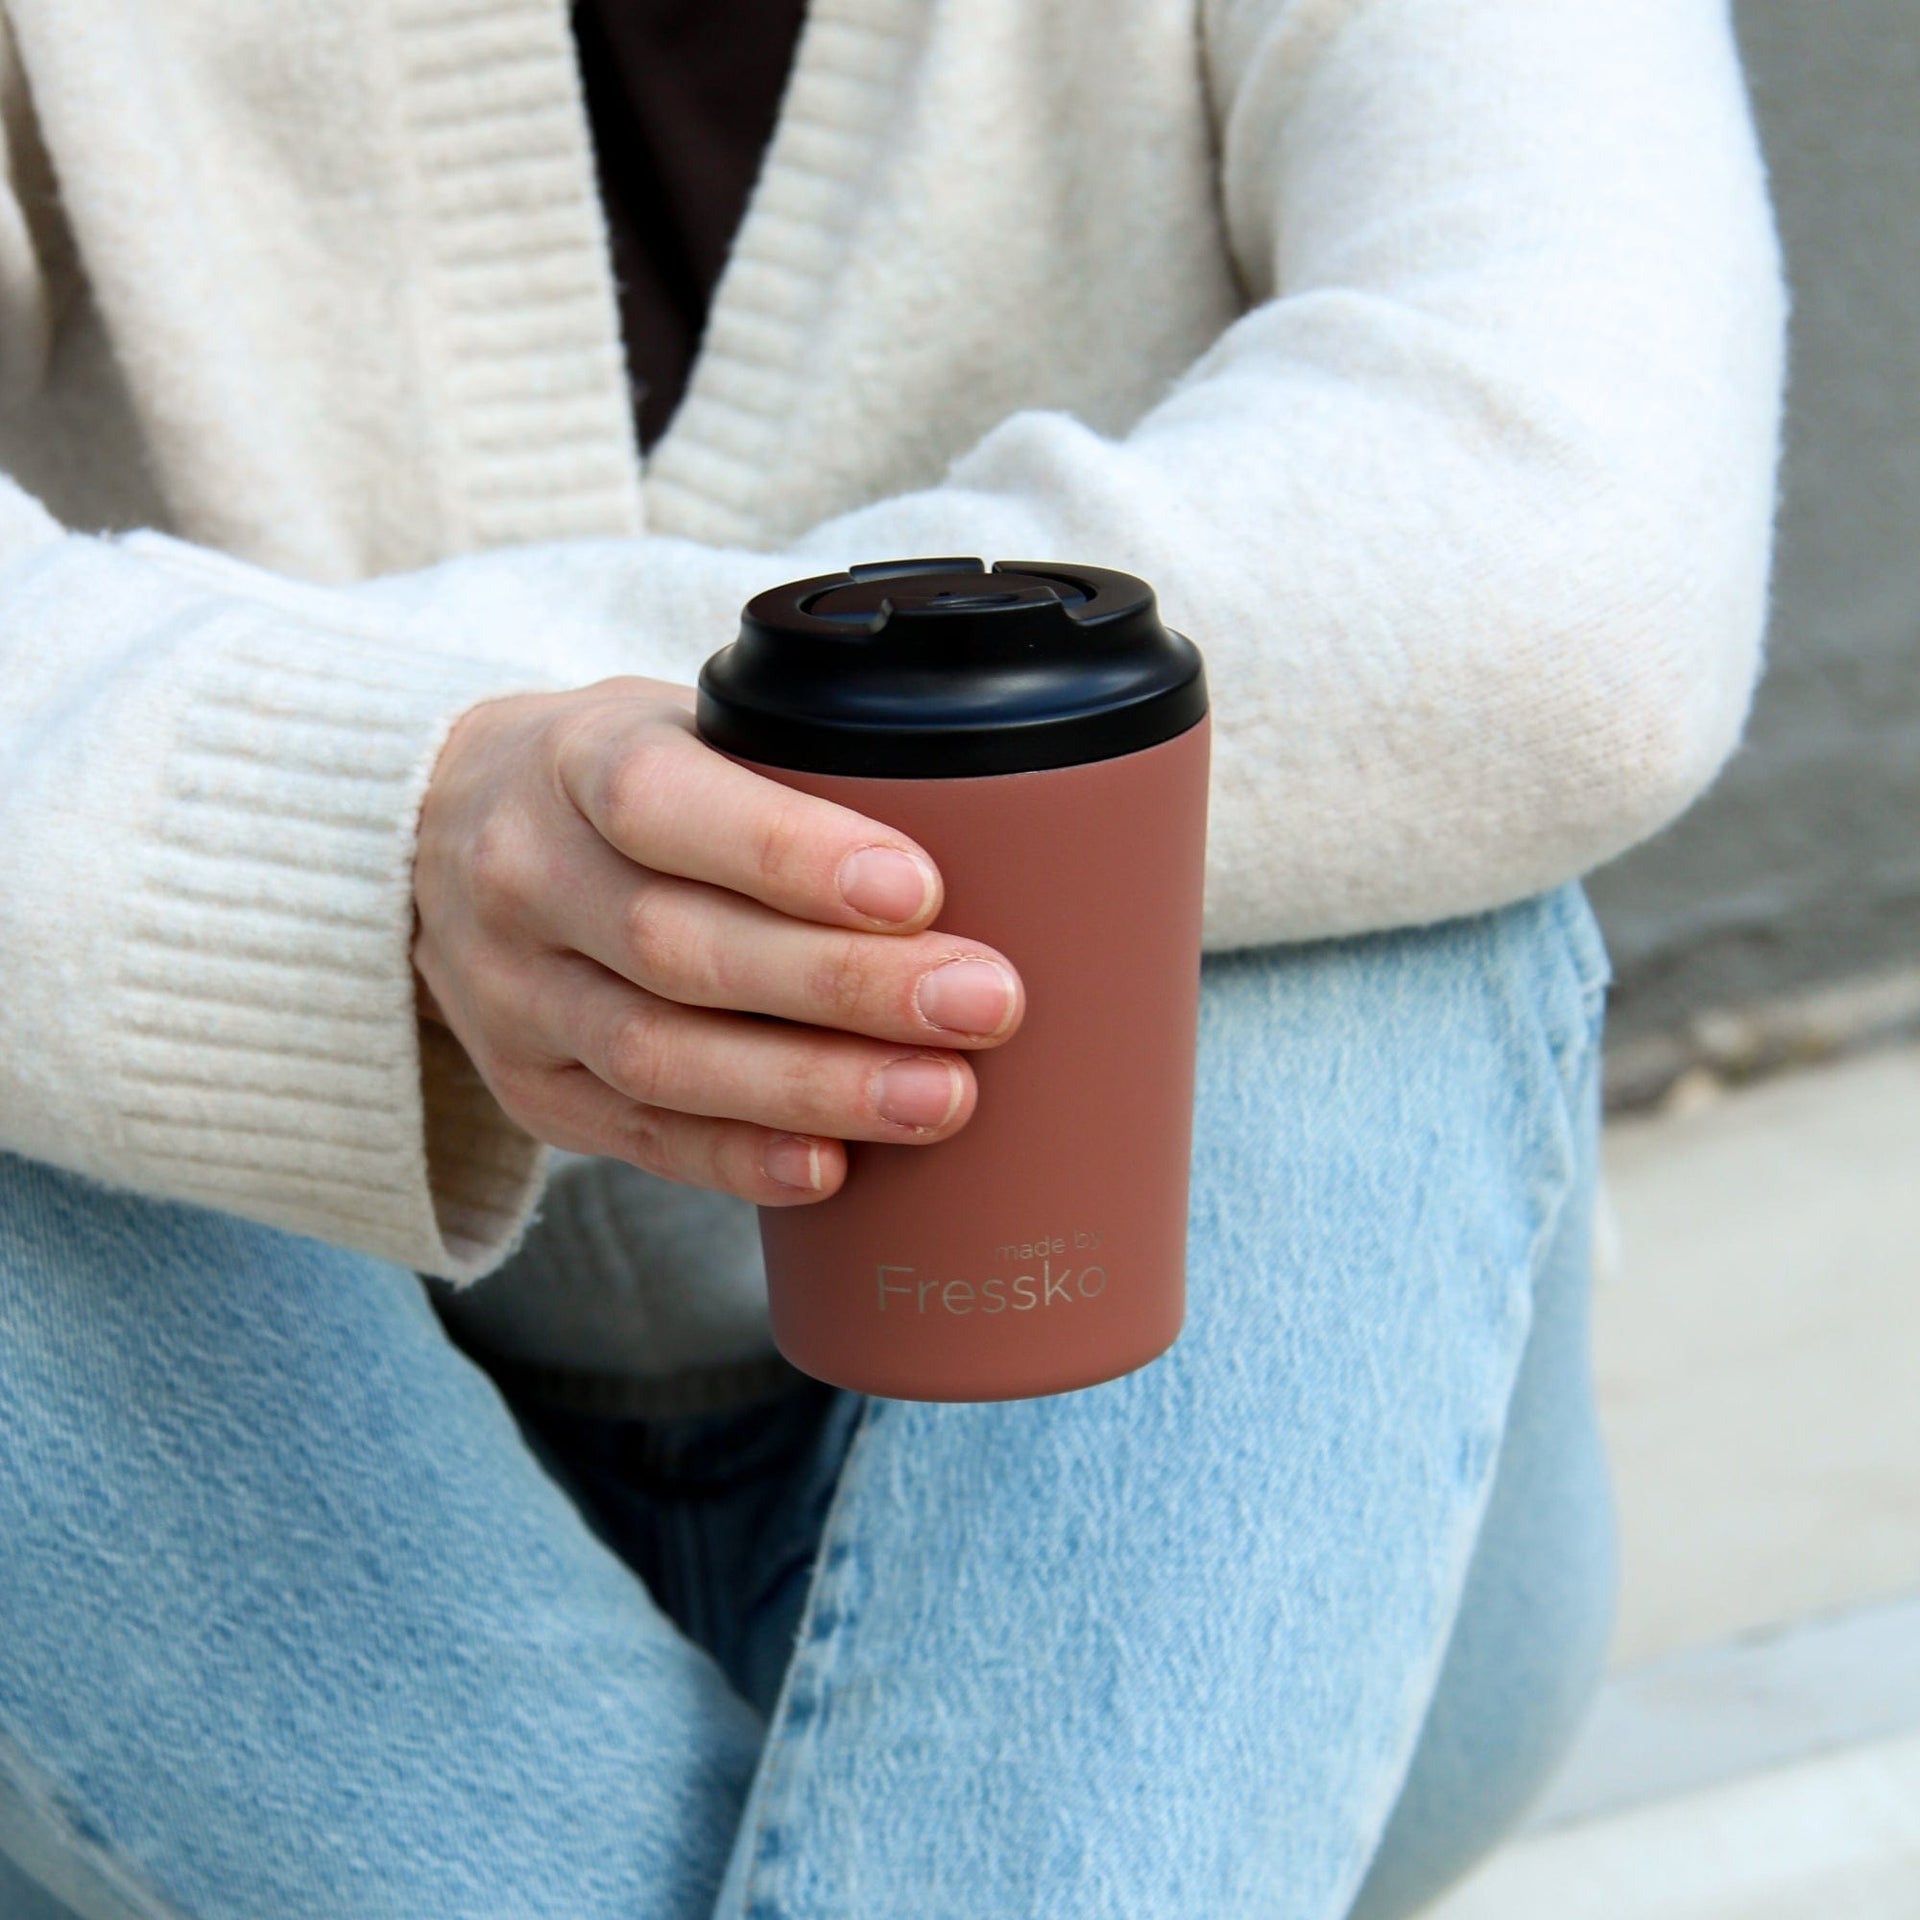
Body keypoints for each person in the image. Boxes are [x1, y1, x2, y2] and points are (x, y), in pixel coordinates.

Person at [0, 0, 1783, 1913]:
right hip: (253, 1585)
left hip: (1223, 1598)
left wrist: (487, 772)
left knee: (1328, 895)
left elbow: (1566, 568)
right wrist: (390, 817)